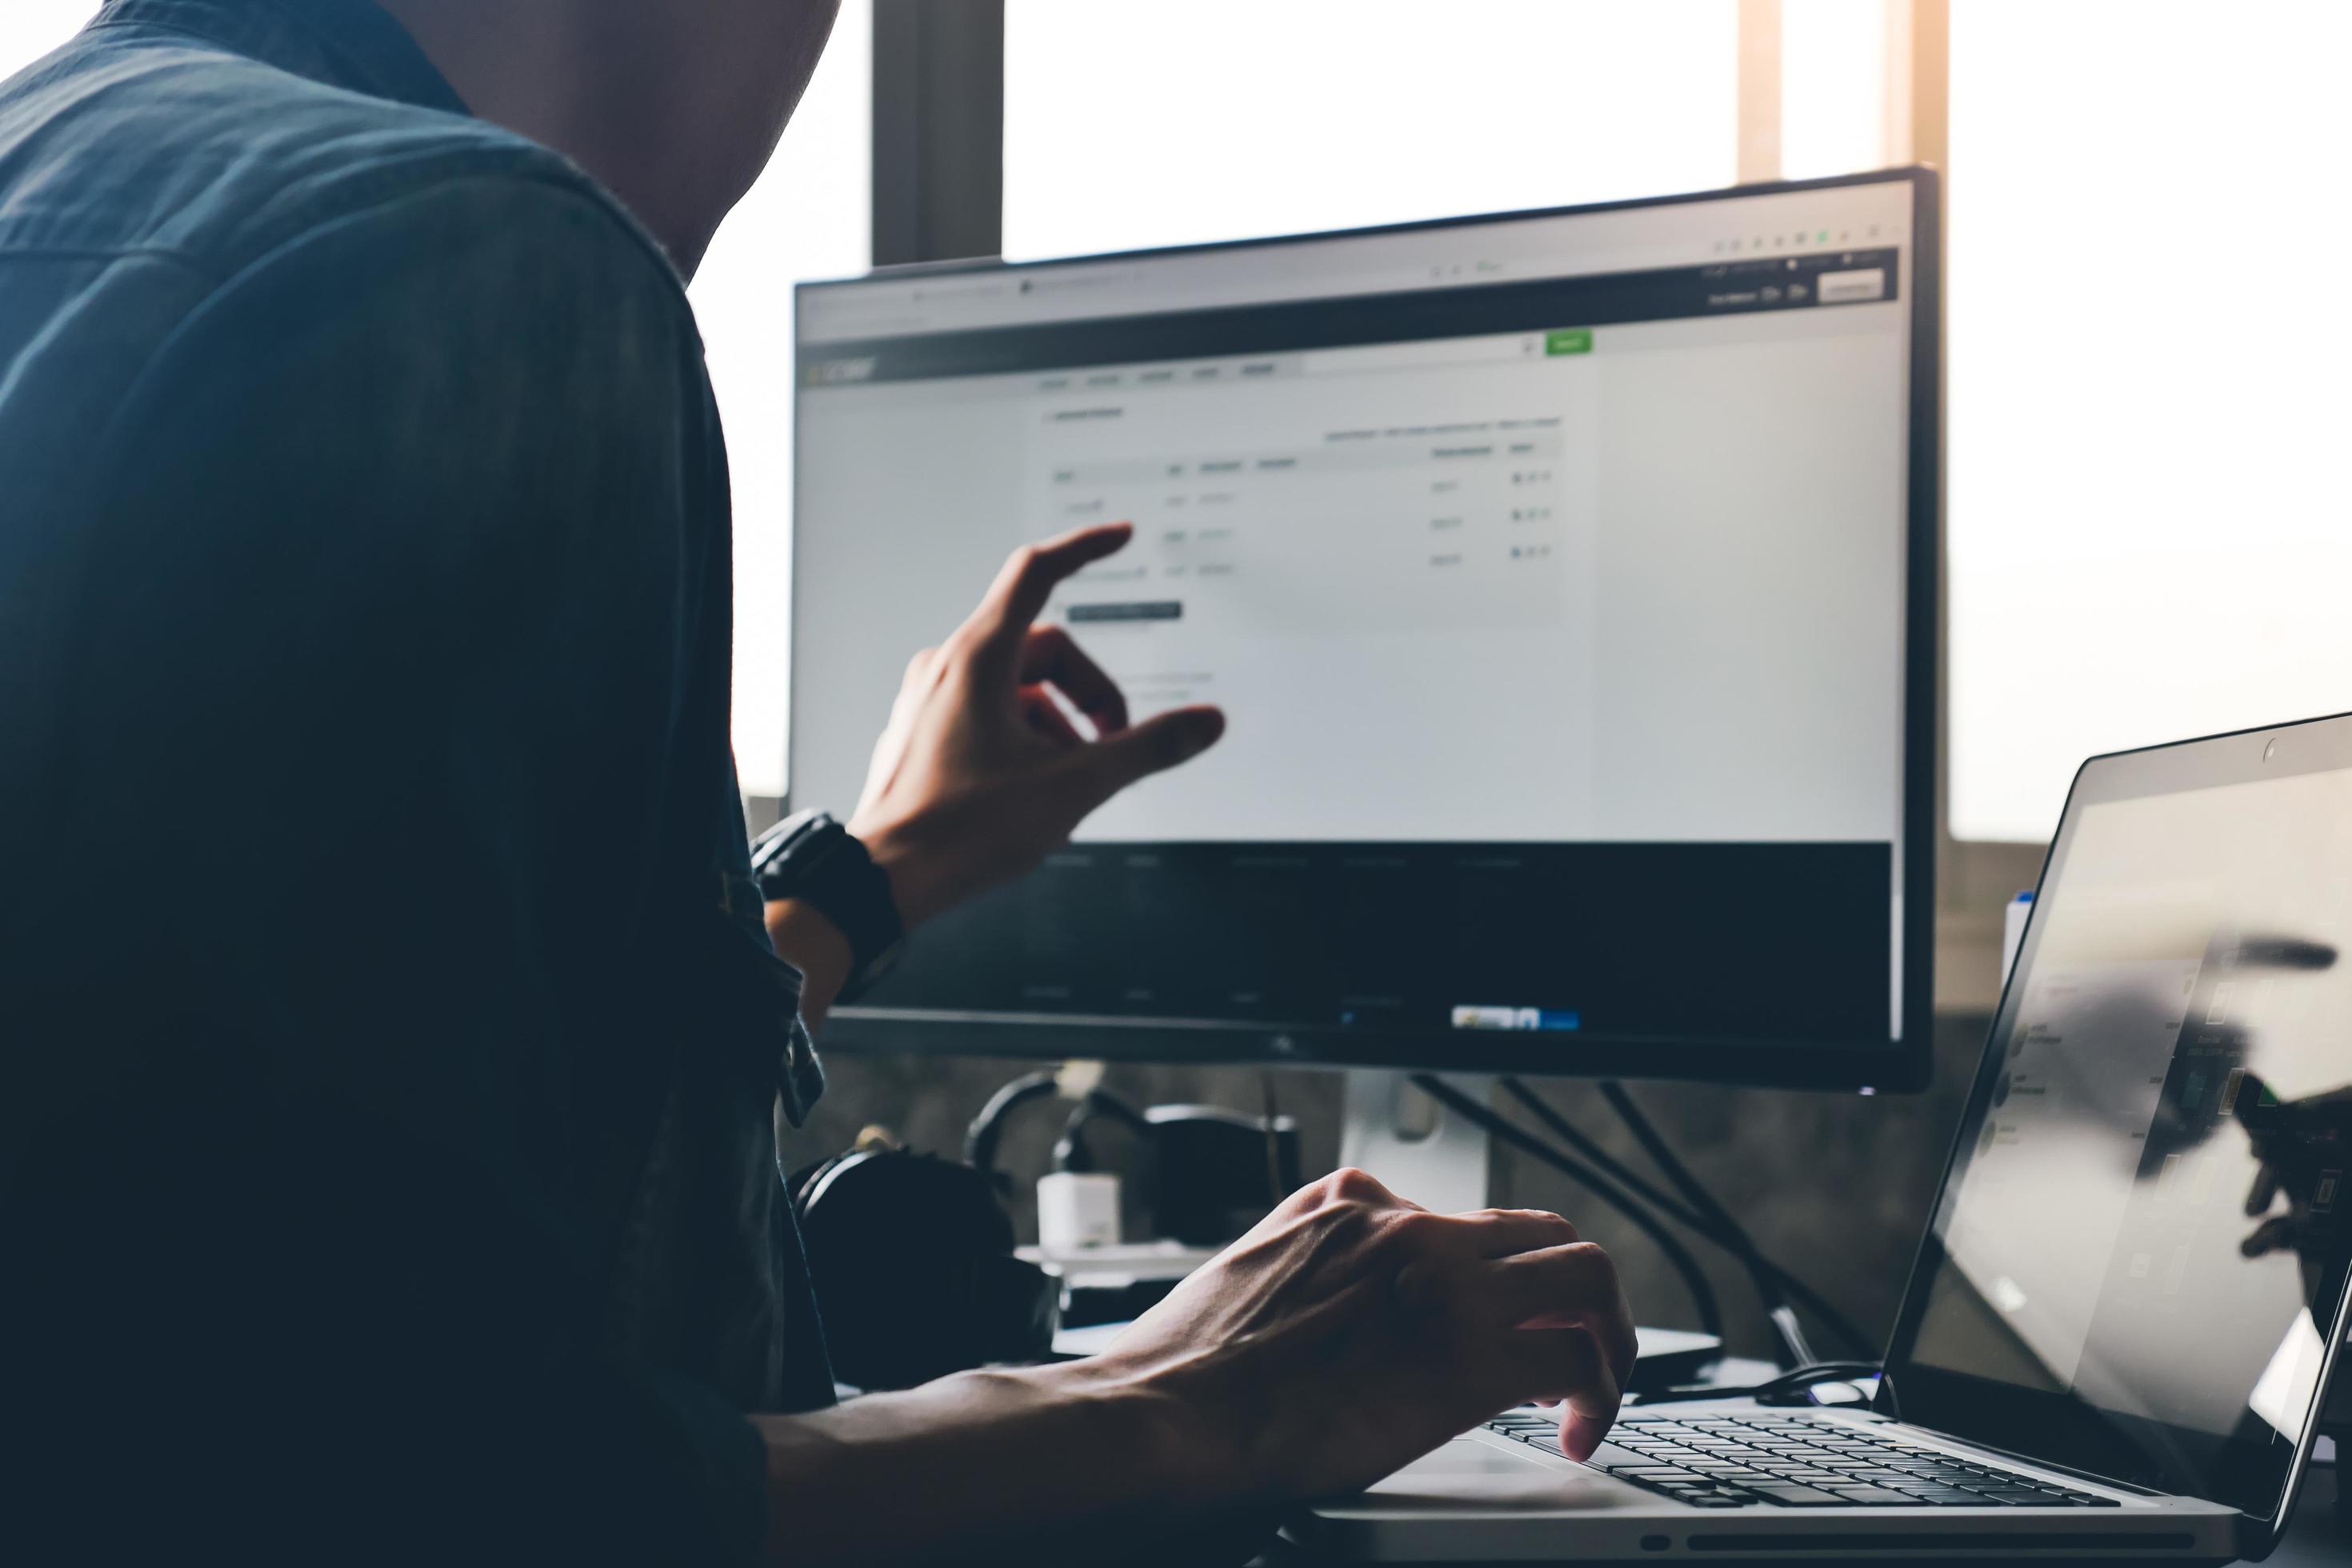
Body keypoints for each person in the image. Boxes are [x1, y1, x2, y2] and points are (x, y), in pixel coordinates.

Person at [0, 2, 1638, 1562]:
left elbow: (210, 1125)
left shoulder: (63, 169)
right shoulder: (471, 254)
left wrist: (871, 873)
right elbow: (406, 1480)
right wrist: (1177, 1391)